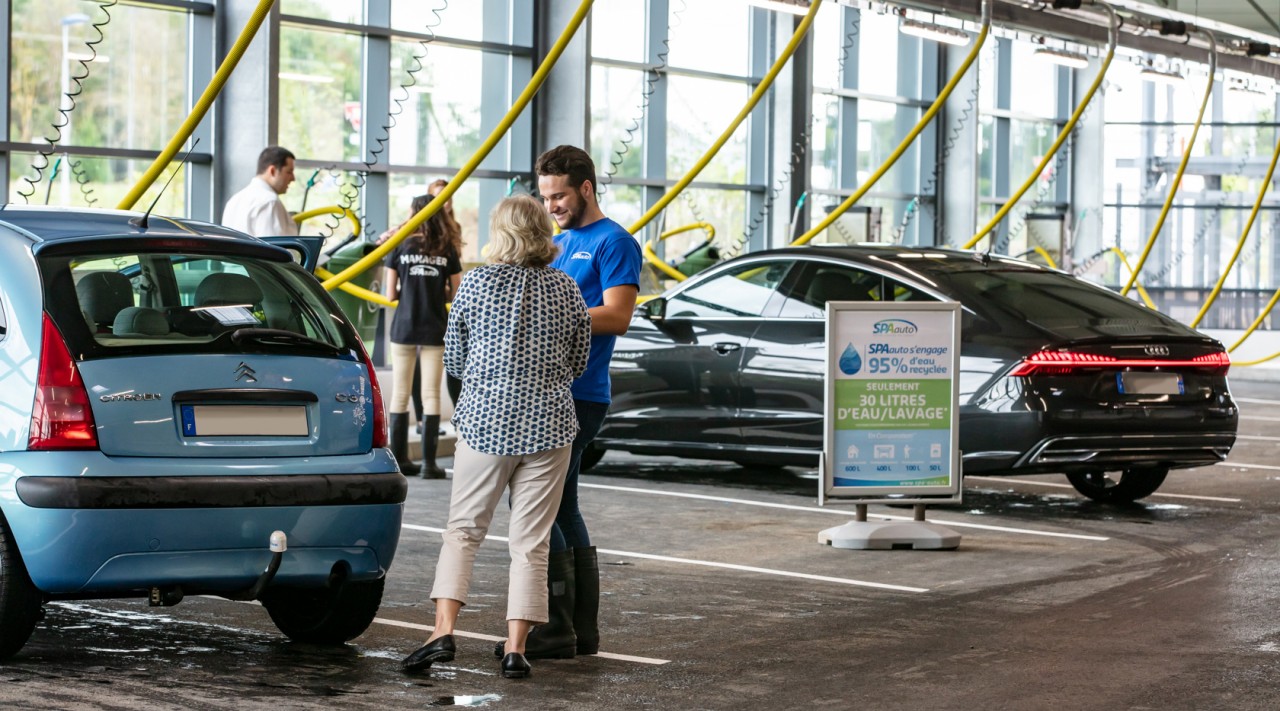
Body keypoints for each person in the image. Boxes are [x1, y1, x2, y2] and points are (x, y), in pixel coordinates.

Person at [401, 194, 591, 679]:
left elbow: (456, 359)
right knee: (531, 543)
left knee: (463, 531)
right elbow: (578, 361)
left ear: (501, 232)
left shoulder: (477, 283)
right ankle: (515, 649)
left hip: (486, 423)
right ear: (544, 233)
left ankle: (442, 632)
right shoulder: (568, 289)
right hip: (550, 426)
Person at [497, 145, 641, 660]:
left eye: (559, 195)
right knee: (564, 507)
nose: (551, 205)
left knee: (536, 507)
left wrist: (552, 314)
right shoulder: (562, 242)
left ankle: (551, 627)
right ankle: (579, 631)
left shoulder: (613, 241)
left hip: (578, 394)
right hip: (553, 391)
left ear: (586, 188)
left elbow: (619, 315)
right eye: (545, 196)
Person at [383, 195, 463, 478]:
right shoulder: (447, 249)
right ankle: (430, 464)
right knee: (431, 394)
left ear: (413, 213)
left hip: (404, 326)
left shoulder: (399, 245)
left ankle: (401, 460)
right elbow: (457, 293)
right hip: (434, 327)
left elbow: (390, 294)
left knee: (400, 395)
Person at [222, 146, 298, 237]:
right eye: (289, 172)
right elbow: (274, 248)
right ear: (272, 171)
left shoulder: (234, 200)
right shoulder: (269, 202)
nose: (293, 178)